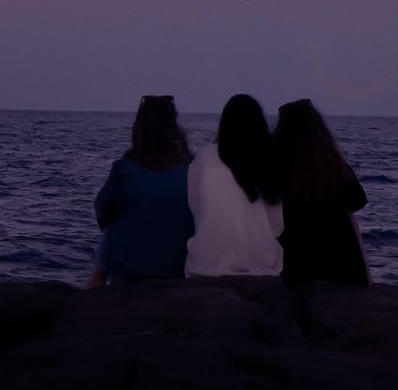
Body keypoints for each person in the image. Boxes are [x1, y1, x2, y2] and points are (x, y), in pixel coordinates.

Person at [90, 94, 194, 284]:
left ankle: (96, 282)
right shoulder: (191, 168)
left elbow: (102, 213)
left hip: (132, 272)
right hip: (180, 267)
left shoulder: (125, 169)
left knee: (116, 219)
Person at [272, 99, 370, 287]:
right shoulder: (334, 166)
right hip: (342, 266)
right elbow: (355, 205)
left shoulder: (275, 165)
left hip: (296, 265)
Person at [185, 93, 284, 277]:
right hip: (260, 263)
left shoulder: (204, 158)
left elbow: (195, 207)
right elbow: (277, 225)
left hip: (207, 263)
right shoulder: (267, 161)